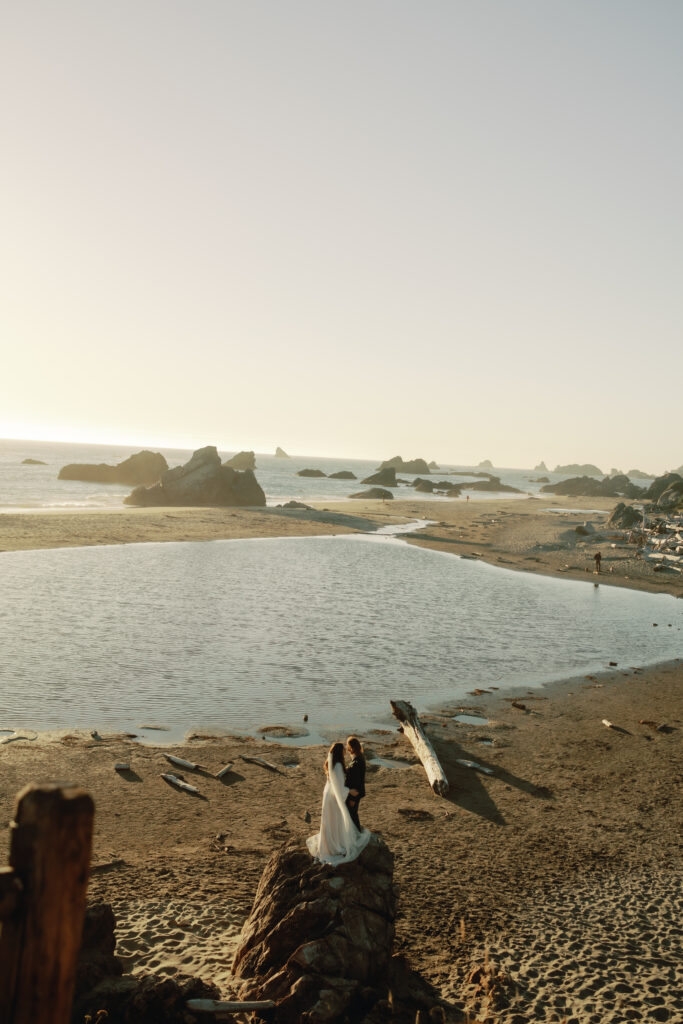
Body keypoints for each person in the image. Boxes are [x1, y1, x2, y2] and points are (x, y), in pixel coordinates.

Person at [306, 742, 371, 865]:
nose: (345, 751)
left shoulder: (334, 765)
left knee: (329, 821)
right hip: (334, 797)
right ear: (339, 753)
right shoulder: (338, 767)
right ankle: (335, 845)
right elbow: (339, 789)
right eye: (343, 750)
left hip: (328, 796)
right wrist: (350, 791)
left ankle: (328, 843)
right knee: (335, 820)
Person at [344, 736, 366, 831]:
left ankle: (357, 833)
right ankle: (355, 832)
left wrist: (353, 797)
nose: (346, 748)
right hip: (353, 792)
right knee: (352, 813)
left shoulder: (357, 762)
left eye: (347, 746)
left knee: (352, 814)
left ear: (350, 748)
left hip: (354, 793)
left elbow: (357, 781)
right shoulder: (358, 759)